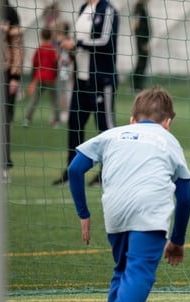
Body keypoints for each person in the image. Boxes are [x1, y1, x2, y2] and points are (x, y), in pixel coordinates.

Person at [68, 86, 190, 302]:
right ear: (168, 122)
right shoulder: (168, 140)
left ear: (132, 119)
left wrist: (83, 215)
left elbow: (75, 169)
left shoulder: (112, 134)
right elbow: (185, 198)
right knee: (139, 272)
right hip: (148, 210)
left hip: (115, 209)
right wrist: (177, 241)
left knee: (122, 270)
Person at [52, 0, 119, 186]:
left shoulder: (108, 10)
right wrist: (71, 47)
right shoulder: (83, 8)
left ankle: (108, 173)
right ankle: (72, 172)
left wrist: (77, 43)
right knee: (74, 124)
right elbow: (78, 40)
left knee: (105, 127)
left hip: (101, 80)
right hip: (80, 80)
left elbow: (105, 41)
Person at [0, 0, 24, 179]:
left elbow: (17, 46)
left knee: (2, 119)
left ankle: (3, 164)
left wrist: (15, 76)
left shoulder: (9, 12)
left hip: (3, 74)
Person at [24, 27, 59, 128]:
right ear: (51, 35)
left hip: (39, 76)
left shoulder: (39, 49)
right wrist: (55, 75)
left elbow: (34, 64)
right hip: (50, 77)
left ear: (41, 35)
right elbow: (55, 63)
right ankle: (56, 121)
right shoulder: (52, 49)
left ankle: (27, 119)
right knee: (54, 99)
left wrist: (33, 78)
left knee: (34, 99)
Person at [131, 0, 150, 92]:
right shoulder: (138, 9)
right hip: (141, 42)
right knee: (141, 62)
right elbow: (137, 27)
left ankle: (138, 85)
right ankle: (137, 86)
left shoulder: (141, 8)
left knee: (142, 62)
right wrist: (142, 42)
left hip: (142, 41)